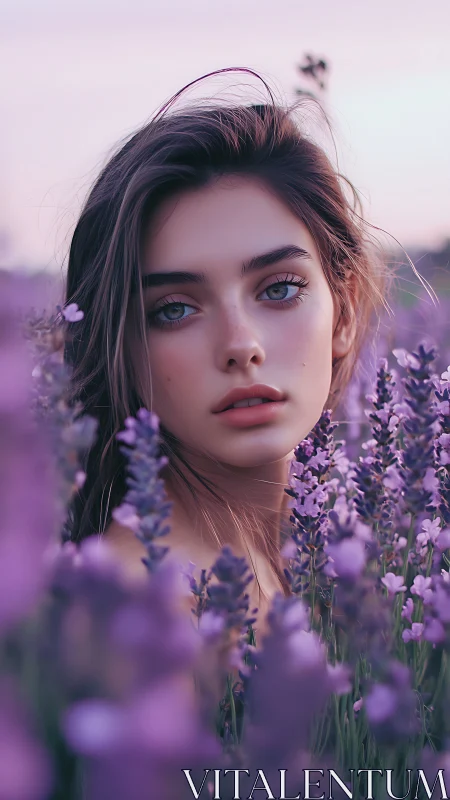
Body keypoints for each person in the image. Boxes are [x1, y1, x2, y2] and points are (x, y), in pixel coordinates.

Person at [63, 67, 393, 628]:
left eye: (280, 289)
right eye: (174, 309)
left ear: (346, 308)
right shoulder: (138, 624)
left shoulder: (361, 563)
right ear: (121, 343)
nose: (242, 346)